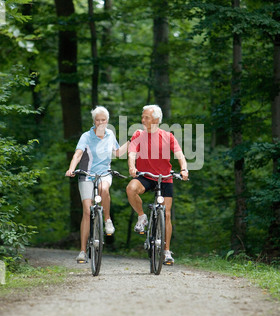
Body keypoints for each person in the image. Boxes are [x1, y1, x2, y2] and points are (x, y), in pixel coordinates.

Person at [126, 104, 188, 265]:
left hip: (165, 178)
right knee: (131, 189)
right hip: (145, 177)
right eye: (142, 116)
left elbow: (180, 154)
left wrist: (184, 169)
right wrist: (132, 167)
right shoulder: (138, 134)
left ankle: (166, 251)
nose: (143, 119)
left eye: (146, 117)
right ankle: (142, 216)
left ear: (156, 119)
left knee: (166, 214)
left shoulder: (168, 136)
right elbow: (132, 153)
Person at [66, 106, 128, 263]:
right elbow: (78, 154)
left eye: (103, 120)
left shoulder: (110, 134)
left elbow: (118, 152)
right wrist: (71, 169)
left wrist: (132, 140)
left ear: (107, 121)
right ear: (94, 121)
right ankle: (82, 251)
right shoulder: (86, 136)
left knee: (103, 188)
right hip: (86, 175)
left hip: (104, 174)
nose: (100, 122)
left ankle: (107, 220)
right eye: (97, 120)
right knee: (87, 211)